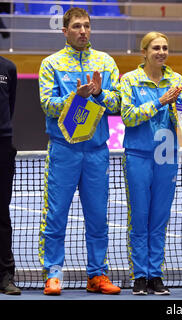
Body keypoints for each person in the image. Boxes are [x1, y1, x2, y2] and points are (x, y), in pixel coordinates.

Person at [38, 7, 121, 295]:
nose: (82, 31)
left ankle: (97, 275)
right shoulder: (51, 64)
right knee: (56, 214)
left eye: (86, 25)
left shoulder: (106, 62)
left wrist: (97, 94)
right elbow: (47, 105)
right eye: (76, 26)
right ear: (65, 31)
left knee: (98, 216)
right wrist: (76, 96)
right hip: (64, 150)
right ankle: (53, 273)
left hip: (97, 151)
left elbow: (117, 104)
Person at [120, 31, 182, 295]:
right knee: (140, 216)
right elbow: (128, 116)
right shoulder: (131, 81)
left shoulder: (177, 81)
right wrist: (160, 101)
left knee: (159, 218)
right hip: (138, 155)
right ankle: (139, 275)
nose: (161, 52)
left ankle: (155, 274)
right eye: (156, 47)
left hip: (167, 157)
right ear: (144, 52)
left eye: (165, 48)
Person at [0, 55, 20, 295]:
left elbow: (10, 105)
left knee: (1, 214)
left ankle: (5, 276)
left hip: (2, 144)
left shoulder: (8, 68)